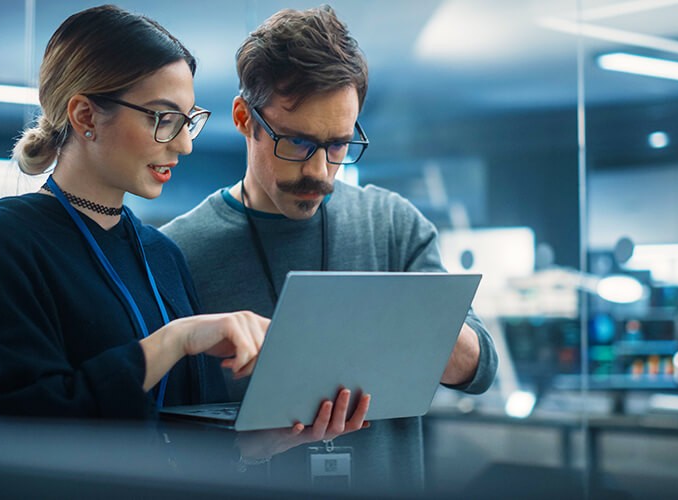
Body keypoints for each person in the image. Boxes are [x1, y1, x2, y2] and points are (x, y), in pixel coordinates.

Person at [0, 4, 367, 459]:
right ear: (84, 116)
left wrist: (251, 446)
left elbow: (174, 436)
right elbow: (18, 428)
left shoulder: (162, 256)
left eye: (187, 119)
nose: (185, 143)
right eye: (163, 119)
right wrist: (174, 340)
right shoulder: (3, 242)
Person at [161, 5, 499, 492]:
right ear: (244, 119)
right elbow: (163, 438)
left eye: (338, 145)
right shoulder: (177, 252)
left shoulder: (392, 224)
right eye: (297, 143)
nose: (320, 171)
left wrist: (410, 322)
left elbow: (481, 367)